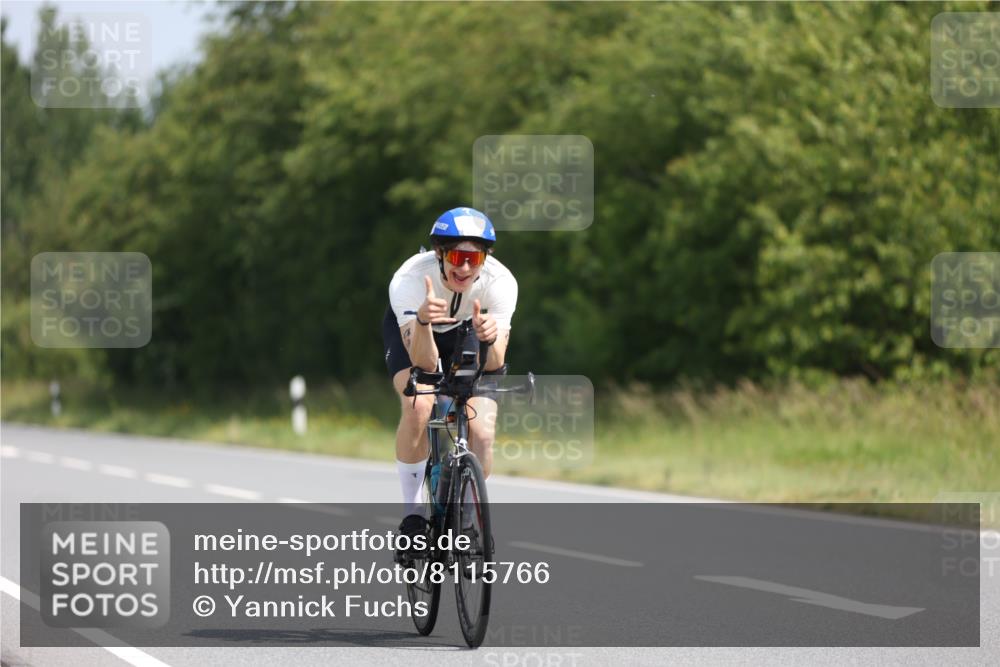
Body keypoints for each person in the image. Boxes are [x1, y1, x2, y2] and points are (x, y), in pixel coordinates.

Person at [383, 207, 517, 542]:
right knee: (419, 406)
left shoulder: (501, 283)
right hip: (421, 329)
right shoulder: (410, 280)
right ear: (440, 253)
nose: (465, 267)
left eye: (475, 258)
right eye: (457, 256)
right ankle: (412, 517)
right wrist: (424, 321)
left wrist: (489, 336)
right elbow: (424, 364)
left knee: (482, 433)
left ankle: (469, 519)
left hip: (469, 331)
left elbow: (494, 363)